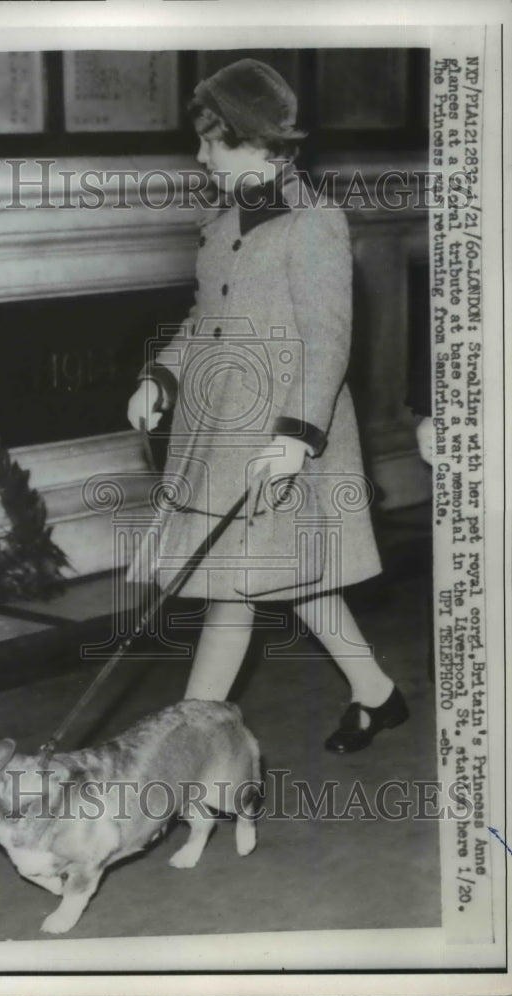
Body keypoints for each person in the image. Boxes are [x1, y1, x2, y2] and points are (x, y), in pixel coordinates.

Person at [126, 58, 408, 752]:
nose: (200, 157)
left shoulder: (313, 223)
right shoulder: (221, 224)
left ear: (260, 143)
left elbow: (327, 338)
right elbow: (202, 321)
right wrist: (159, 378)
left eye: (212, 143)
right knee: (291, 576)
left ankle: (184, 744)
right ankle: (376, 694)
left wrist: (296, 436)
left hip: (281, 435)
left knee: (235, 589)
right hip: (219, 430)